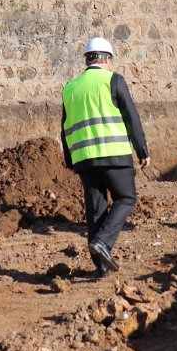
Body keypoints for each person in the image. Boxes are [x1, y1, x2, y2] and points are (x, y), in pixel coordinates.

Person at [61, 36, 151, 279]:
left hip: (84, 158)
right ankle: (103, 242)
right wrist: (142, 151)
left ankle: (100, 268)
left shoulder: (70, 87)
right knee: (126, 198)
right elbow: (131, 117)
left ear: (87, 59)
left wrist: (70, 160)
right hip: (114, 154)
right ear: (107, 59)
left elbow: (64, 127)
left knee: (96, 210)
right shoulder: (114, 80)